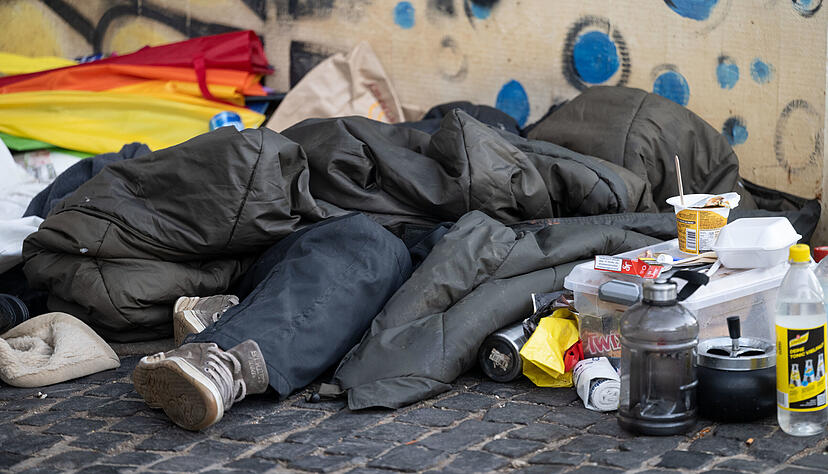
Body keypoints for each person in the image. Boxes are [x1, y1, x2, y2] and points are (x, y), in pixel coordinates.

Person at [131, 213, 413, 430]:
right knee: (371, 246)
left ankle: (229, 318)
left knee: (378, 253)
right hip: (320, 239)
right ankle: (226, 357)